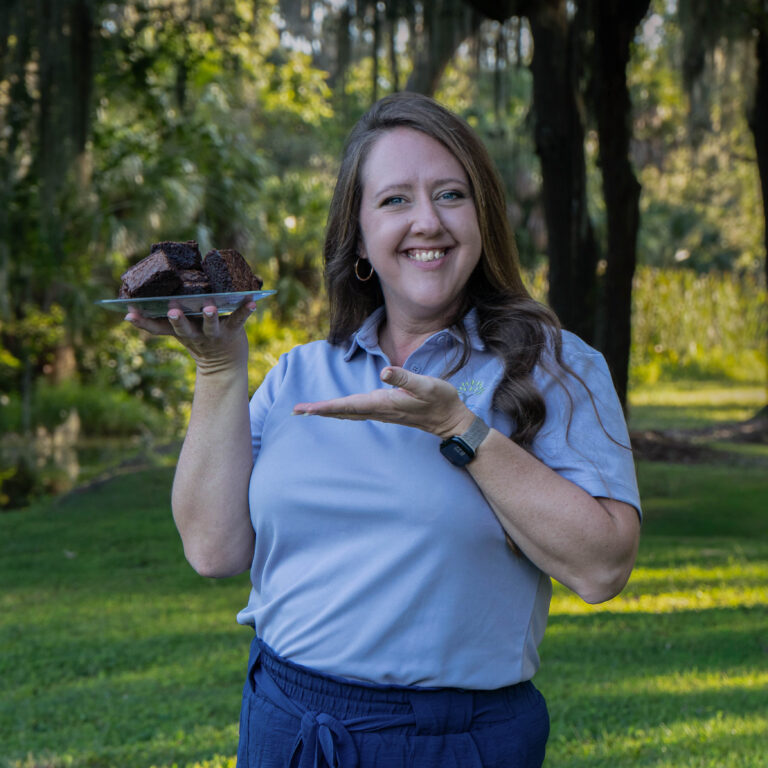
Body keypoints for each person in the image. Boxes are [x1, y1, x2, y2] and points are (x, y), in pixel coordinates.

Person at [126, 92, 641, 768]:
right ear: (360, 236)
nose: (427, 221)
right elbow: (212, 550)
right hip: (286, 725)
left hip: (452, 742)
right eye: (395, 200)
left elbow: (603, 567)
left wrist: (459, 429)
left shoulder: (556, 365)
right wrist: (220, 371)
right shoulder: (300, 375)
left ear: (482, 217)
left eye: (451, 194)